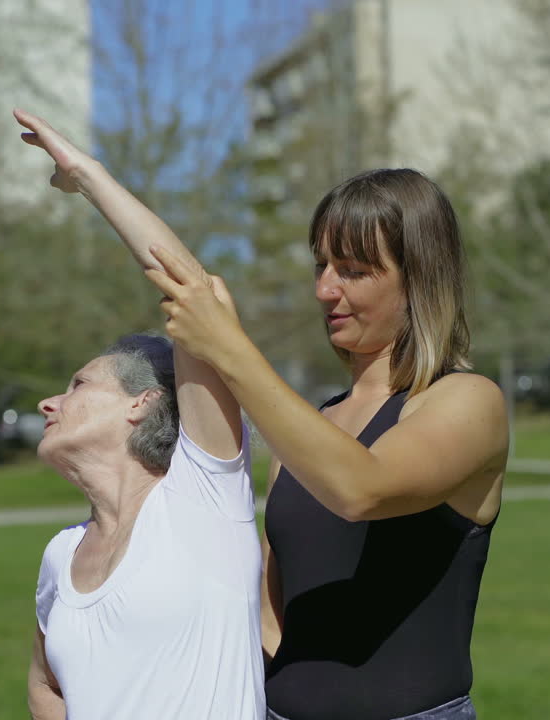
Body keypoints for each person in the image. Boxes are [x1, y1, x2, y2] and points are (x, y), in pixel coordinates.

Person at [144, 168, 509, 720]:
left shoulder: (470, 401)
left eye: (354, 270)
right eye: (321, 265)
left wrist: (230, 348)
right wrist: (90, 178)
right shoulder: (315, 426)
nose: (324, 289)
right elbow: (270, 608)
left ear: (420, 278)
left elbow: (362, 489)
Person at [14, 110, 264, 720]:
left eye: (77, 385)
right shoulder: (60, 556)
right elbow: (46, 685)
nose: (49, 403)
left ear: (143, 401)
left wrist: (88, 178)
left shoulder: (201, 498)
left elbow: (192, 290)